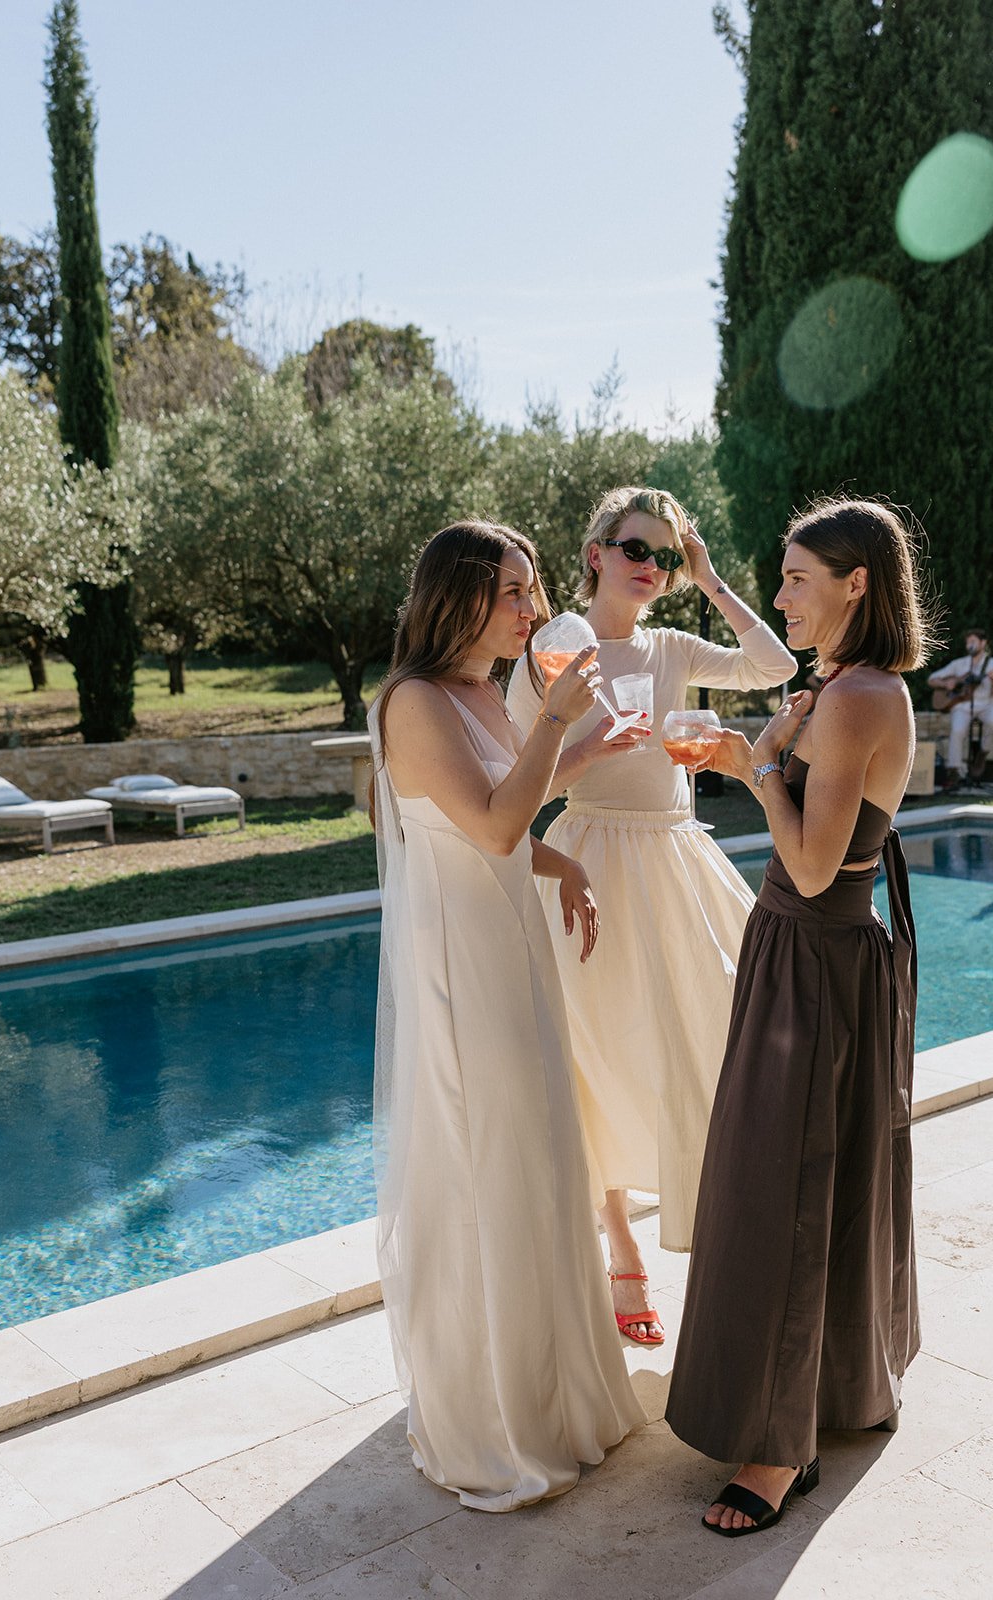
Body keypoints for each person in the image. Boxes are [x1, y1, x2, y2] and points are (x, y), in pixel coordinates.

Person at [666, 496, 932, 1537]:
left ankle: (779, 1449)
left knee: (789, 1187)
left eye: (795, 578)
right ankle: (823, 1395)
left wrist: (754, 767)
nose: (780, 595)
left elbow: (815, 861)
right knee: (793, 1175)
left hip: (816, 957)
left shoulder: (863, 695)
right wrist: (770, 752)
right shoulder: (841, 687)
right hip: (804, 954)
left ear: (856, 582)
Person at [369, 519, 646, 1512]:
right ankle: (491, 1417)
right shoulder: (412, 701)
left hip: (512, 941)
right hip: (461, 965)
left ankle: (560, 1395)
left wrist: (559, 856)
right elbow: (486, 826)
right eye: (517, 592)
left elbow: (498, 812)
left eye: (532, 590)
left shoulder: (484, 690)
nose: (535, 609)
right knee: (491, 1159)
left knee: (539, 1150)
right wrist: (558, 724)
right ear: (463, 599)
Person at [506, 486, 794, 1344]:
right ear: (595, 552)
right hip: (587, 854)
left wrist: (708, 580)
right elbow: (521, 785)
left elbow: (773, 666)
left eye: (664, 555)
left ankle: (720, 1230)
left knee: (714, 1029)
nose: (650, 567)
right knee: (590, 1046)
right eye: (637, 549)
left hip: (674, 852)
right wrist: (591, 748)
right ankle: (620, 1234)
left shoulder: (670, 643)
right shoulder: (548, 652)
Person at [927, 626, 993, 788]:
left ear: (983, 643)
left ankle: (982, 753)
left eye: (973, 641)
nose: (969, 645)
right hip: (963, 704)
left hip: (987, 703)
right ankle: (955, 771)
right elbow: (932, 679)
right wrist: (947, 683)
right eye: (968, 642)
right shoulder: (958, 664)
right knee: (957, 730)